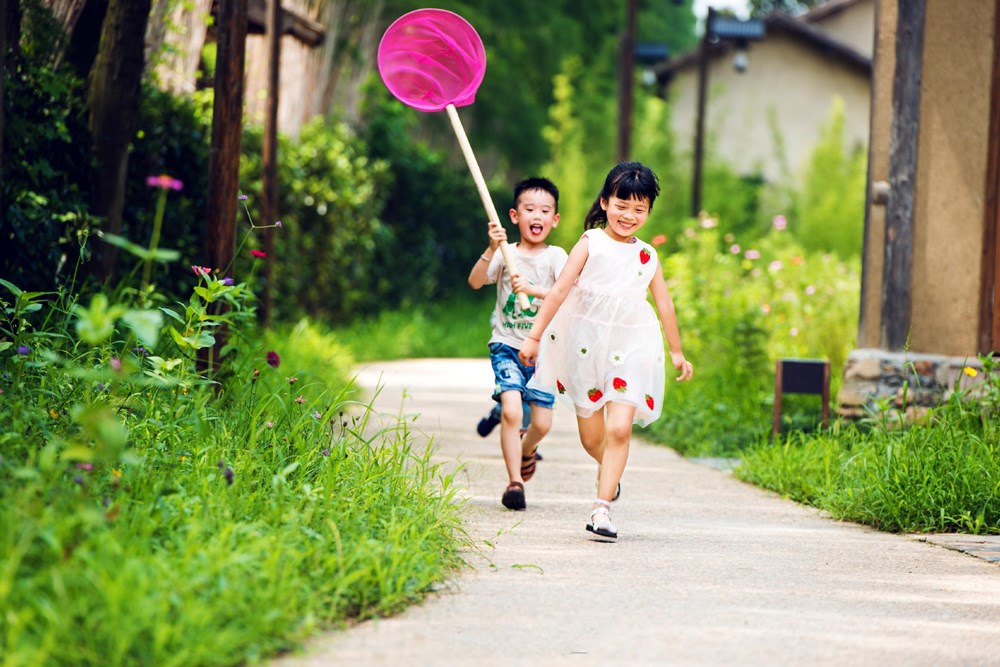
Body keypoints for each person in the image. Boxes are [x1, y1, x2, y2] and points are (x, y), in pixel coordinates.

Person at [519, 162, 694, 539]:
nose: (629, 215)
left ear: (648, 212)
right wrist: (534, 336)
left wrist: (677, 352)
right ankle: (610, 473)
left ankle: (602, 509)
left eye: (639, 209)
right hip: (585, 347)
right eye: (621, 205)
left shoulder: (647, 255)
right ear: (605, 202)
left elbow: (664, 304)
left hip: (631, 345)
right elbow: (560, 289)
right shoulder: (590, 243)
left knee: (618, 429)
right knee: (592, 438)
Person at [468, 177, 568, 511]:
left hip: (543, 352)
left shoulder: (556, 257)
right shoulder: (506, 253)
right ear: (514, 216)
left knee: (541, 424)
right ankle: (515, 483)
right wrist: (491, 248)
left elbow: (568, 295)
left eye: (544, 210)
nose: (536, 216)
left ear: (554, 219)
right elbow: (475, 281)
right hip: (507, 346)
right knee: (513, 411)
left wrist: (534, 289)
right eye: (529, 209)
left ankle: (527, 450)